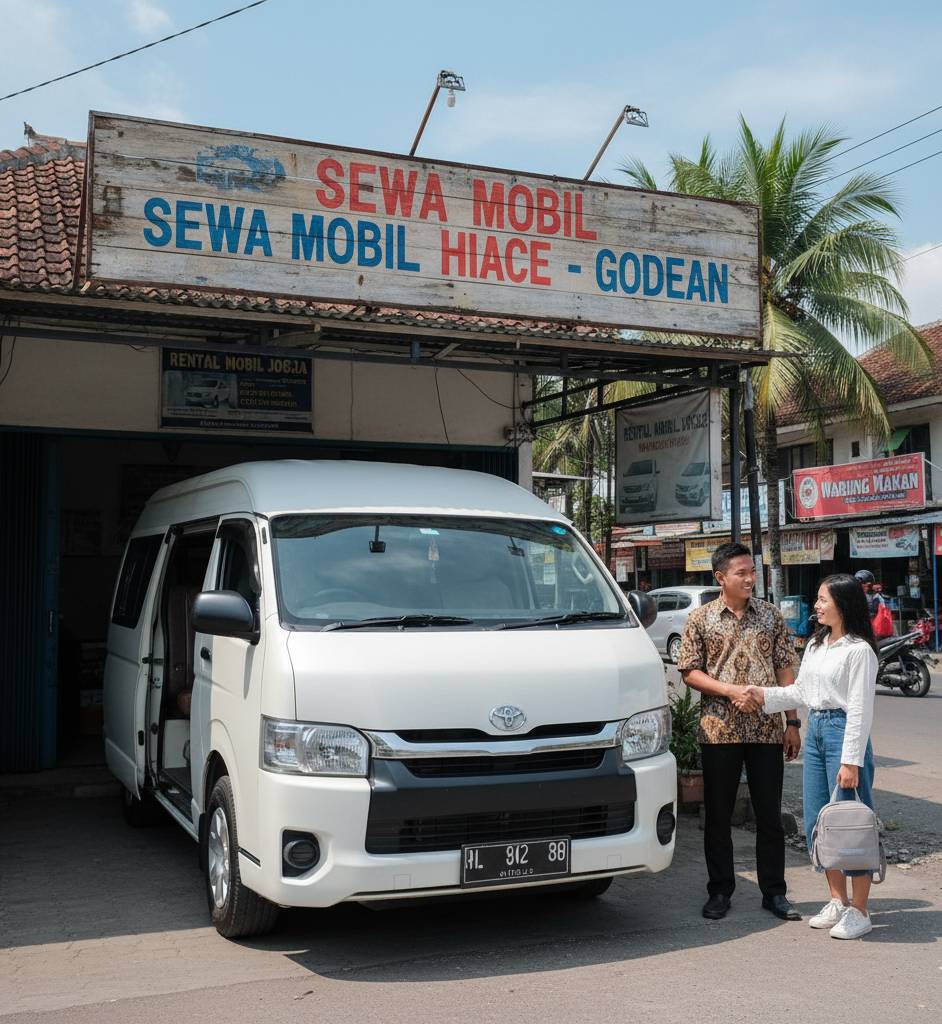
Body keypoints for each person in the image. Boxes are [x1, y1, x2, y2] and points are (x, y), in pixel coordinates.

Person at [745, 573, 879, 940]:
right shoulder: (817, 646)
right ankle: (837, 900)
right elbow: (801, 691)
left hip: (842, 734)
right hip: (817, 730)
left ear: (844, 603)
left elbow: (860, 710)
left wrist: (851, 760)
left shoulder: (859, 651)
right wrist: (762, 695)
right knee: (819, 822)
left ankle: (860, 909)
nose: (817, 605)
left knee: (851, 824)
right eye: (818, 599)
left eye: (823, 599)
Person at [677, 542, 802, 922]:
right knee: (718, 816)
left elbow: (784, 670)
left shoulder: (771, 616)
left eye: (752, 572)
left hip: (766, 729)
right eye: (741, 573)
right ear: (721, 577)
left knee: (769, 816)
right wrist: (731, 691)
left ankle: (774, 893)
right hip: (719, 730)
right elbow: (689, 671)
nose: (750, 579)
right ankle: (720, 891)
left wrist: (792, 722)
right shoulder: (700, 619)